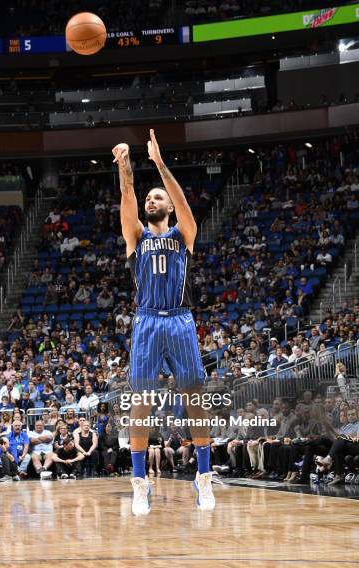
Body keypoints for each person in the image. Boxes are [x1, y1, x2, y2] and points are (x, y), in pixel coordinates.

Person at [113, 129, 213, 515]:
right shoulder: (136, 236)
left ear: (168, 206)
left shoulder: (183, 234)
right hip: (148, 322)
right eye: (149, 197)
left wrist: (159, 163)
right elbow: (127, 200)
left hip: (181, 320)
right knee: (141, 402)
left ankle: (203, 477)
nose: (152, 200)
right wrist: (126, 169)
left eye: (158, 197)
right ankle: (140, 483)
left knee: (194, 400)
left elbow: (185, 202)